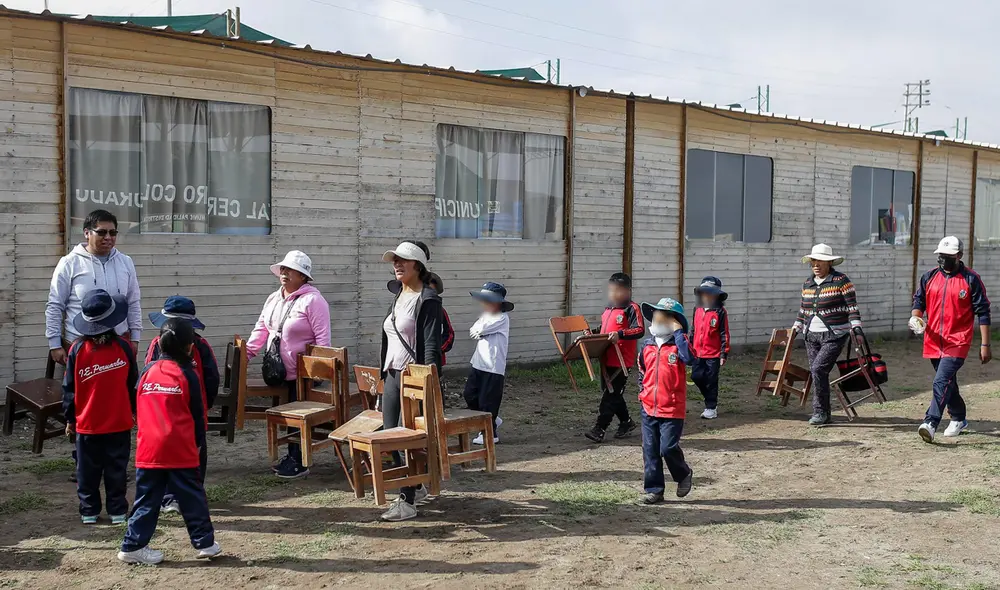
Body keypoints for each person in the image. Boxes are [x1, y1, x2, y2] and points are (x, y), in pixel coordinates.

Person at [45, 209, 141, 482]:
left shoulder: (125, 263)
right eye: (102, 232)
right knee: (82, 402)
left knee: (118, 400)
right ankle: (83, 464)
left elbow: (133, 302)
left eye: (113, 232)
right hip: (82, 346)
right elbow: (55, 305)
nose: (108, 237)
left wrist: (134, 338)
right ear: (87, 233)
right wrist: (55, 342)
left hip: (119, 344)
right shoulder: (70, 263)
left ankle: (116, 461)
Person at [118, 319, 220, 565]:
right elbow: (197, 414)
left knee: (147, 499)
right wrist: (196, 444)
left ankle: (132, 546)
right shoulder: (187, 374)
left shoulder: (146, 372)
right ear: (189, 347)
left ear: (159, 343)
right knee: (192, 496)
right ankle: (205, 543)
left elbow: (136, 404)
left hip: (148, 450)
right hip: (179, 450)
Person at [247, 251, 331, 479]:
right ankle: (292, 455)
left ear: (303, 276)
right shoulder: (274, 298)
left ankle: (299, 459)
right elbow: (261, 329)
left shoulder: (314, 300)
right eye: (283, 269)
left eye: (291, 270)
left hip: (302, 372)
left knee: (297, 414)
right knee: (287, 415)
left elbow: (323, 339)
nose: (284, 273)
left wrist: (319, 370)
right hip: (277, 368)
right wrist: (247, 353)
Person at [379, 240, 443, 522]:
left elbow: (431, 345)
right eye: (395, 261)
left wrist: (426, 382)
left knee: (407, 439)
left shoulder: (427, 300)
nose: (397, 264)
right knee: (390, 436)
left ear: (417, 265)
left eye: (402, 260)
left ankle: (406, 499)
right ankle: (415, 486)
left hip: (412, 378)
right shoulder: (399, 296)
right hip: (392, 374)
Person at [62, 289, 138, 525]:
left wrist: (70, 419)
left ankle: (90, 510)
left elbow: (68, 389)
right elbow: (133, 385)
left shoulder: (77, 349)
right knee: (115, 468)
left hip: (88, 425)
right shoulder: (123, 348)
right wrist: (134, 411)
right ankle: (114, 511)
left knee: (88, 471)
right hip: (115, 423)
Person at [911, 236, 992, 443]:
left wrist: (985, 344)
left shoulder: (971, 279)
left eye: (947, 256)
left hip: (958, 340)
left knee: (941, 380)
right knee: (947, 382)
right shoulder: (928, 277)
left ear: (959, 256)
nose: (942, 260)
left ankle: (930, 422)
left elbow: (983, 312)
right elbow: (919, 301)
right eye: (940, 256)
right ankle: (958, 417)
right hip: (933, 340)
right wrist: (916, 317)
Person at [146, 297, 219, 512]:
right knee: (169, 454)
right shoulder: (156, 345)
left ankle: (190, 495)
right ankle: (170, 496)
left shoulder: (201, 346)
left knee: (195, 452)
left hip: (190, 414)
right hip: (165, 414)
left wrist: (206, 404)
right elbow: (149, 375)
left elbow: (211, 377)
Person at [792, 244, 863, 426]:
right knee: (818, 373)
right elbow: (803, 310)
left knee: (818, 369)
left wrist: (856, 328)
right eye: (813, 261)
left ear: (829, 263)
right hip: (811, 336)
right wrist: (796, 327)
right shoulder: (807, 283)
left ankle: (820, 411)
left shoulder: (841, 281)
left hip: (834, 334)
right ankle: (824, 412)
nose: (816, 264)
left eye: (820, 261)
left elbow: (852, 307)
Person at [637, 297, 694, 505]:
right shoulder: (647, 346)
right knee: (650, 450)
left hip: (671, 409)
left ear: (674, 321)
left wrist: (679, 332)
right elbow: (642, 371)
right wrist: (642, 392)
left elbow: (690, 358)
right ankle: (654, 489)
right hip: (648, 408)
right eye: (656, 317)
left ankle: (683, 474)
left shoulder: (678, 346)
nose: (658, 321)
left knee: (667, 448)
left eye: (664, 318)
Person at [586, 273, 644, 443]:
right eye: (611, 290)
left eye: (618, 291)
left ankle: (599, 428)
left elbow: (639, 329)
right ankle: (626, 422)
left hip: (621, 361)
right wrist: (593, 334)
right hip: (606, 358)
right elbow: (604, 330)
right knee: (613, 393)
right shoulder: (608, 309)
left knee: (610, 396)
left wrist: (621, 334)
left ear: (628, 291)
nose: (614, 294)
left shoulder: (632, 308)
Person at [465, 281, 513, 445]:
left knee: (488, 399)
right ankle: (493, 418)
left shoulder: (502, 318)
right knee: (470, 394)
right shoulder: (485, 316)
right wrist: (478, 328)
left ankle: (489, 433)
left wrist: (479, 328)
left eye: (489, 300)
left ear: (498, 302)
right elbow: (473, 329)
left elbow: (480, 330)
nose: (485, 304)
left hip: (493, 367)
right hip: (478, 362)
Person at [690, 276, 730, 419]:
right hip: (697, 353)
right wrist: (689, 348)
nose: (707, 296)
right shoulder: (697, 309)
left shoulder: (720, 312)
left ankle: (711, 407)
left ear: (717, 296)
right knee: (696, 376)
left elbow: (724, 333)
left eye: (711, 293)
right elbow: (693, 330)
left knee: (711, 379)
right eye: (704, 293)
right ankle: (708, 397)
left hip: (713, 354)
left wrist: (723, 353)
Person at [428, 273, 456, 367]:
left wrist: (438, 350)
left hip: (434, 362)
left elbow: (449, 333)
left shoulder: (440, 311)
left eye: (431, 291)